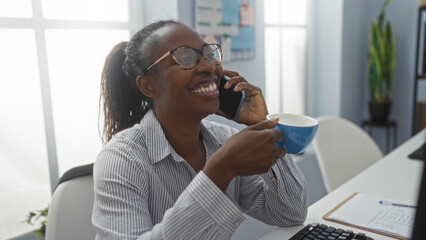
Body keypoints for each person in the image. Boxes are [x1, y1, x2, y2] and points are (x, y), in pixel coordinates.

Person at [92, 20, 308, 240]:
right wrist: (220, 171)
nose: (208, 66)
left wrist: (263, 125)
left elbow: (290, 214)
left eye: (208, 54)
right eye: (185, 58)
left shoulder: (224, 140)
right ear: (149, 85)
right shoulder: (120, 160)